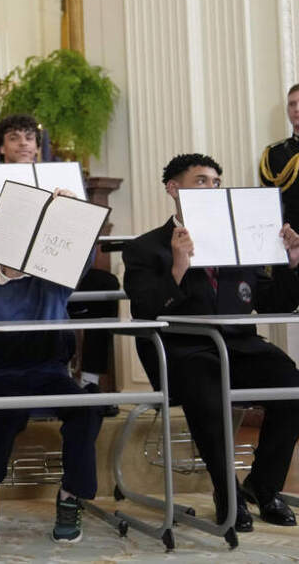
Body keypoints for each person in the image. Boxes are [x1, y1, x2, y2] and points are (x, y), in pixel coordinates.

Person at [123, 153, 299, 533]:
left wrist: (292, 263)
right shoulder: (145, 248)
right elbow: (144, 309)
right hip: (183, 350)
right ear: (174, 189)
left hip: (240, 347)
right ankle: (227, 492)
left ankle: (264, 486)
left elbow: (275, 303)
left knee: (292, 385)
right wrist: (178, 267)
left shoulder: (240, 240)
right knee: (206, 390)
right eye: (201, 180)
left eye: (216, 182)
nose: (212, 188)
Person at [0, 188, 103, 544]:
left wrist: (71, 212)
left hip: (50, 372)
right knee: (8, 413)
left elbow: (83, 255)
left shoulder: (51, 281)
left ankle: (70, 495)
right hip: (4, 374)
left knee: (88, 408)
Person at [0, 114, 120, 407]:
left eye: (29, 137)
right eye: (14, 138)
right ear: (1, 148)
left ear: (36, 146)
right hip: (5, 271)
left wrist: (69, 209)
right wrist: (18, 207)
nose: (23, 143)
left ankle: (90, 378)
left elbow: (79, 234)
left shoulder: (61, 182)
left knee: (106, 283)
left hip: (52, 267)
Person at [259, 83, 299, 228]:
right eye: (292, 104)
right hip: (290, 231)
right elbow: (268, 203)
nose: (297, 109)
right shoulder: (274, 153)